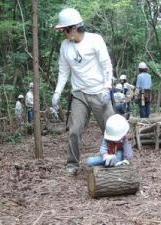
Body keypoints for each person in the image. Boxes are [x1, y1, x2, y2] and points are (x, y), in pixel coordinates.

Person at [52, 8, 114, 175]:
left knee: (111, 128)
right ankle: (72, 164)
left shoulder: (95, 40)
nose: (64, 34)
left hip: (99, 92)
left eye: (65, 30)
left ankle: (116, 159)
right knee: (74, 130)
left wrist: (107, 87)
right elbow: (63, 71)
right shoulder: (65, 46)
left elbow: (106, 65)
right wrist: (57, 92)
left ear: (73, 28)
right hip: (79, 94)